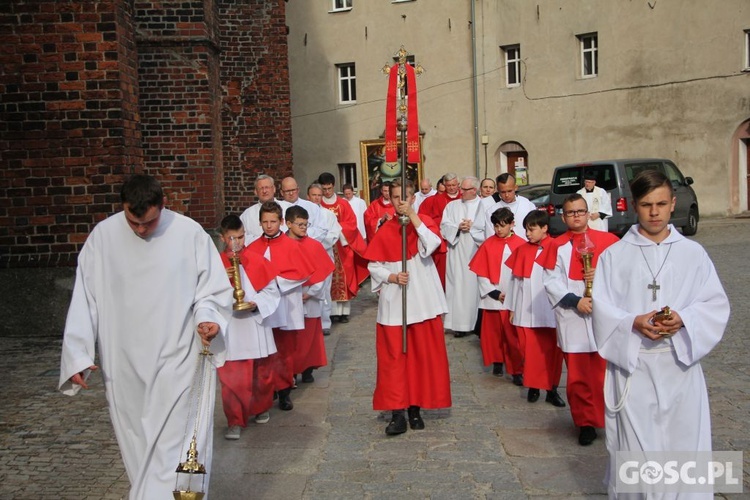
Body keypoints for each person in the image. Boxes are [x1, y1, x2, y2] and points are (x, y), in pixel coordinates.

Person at [58, 174, 233, 498]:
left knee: (174, 450)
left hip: (178, 360)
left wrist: (208, 319)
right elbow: (85, 298)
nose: (140, 230)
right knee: (140, 452)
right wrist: (78, 354)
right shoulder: (103, 238)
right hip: (124, 365)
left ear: (162, 207)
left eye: (148, 223)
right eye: (133, 221)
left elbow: (210, 291)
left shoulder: (188, 233)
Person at [592, 170, 729, 497]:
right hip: (634, 367)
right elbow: (601, 308)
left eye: (661, 204)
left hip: (679, 367)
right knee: (639, 454)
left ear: (673, 205)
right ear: (633, 207)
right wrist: (632, 322)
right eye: (646, 204)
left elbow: (714, 304)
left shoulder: (694, 254)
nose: (654, 212)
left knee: (684, 449)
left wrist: (684, 318)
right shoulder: (614, 256)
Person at [364, 178, 451, 436]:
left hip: (422, 301)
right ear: (389, 199)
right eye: (396, 197)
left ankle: (415, 407)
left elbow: (432, 244)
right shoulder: (385, 229)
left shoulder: (423, 223)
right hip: (395, 302)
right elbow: (373, 265)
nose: (400, 201)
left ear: (414, 198)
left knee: (420, 359)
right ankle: (397, 413)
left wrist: (413, 216)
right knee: (394, 360)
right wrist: (391, 277)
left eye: (406, 197)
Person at [539, 194, 619, 446]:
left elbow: (624, 276)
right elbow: (551, 281)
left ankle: (609, 418)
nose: (576, 216)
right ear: (563, 217)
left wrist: (602, 275)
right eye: (571, 212)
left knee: (604, 372)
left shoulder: (609, 242)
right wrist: (575, 300)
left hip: (603, 313)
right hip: (572, 316)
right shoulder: (555, 245)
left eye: (580, 211)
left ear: (588, 213)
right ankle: (585, 422)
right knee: (578, 374)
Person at [247, 201, 316, 412]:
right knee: (265, 350)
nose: (269, 226)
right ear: (260, 223)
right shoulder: (253, 248)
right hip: (262, 305)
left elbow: (304, 272)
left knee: (285, 349)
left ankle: (285, 390)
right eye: (265, 222)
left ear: (281, 222)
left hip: (285, 303)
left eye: (273, 221)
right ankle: (269, 389)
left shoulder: (292, 246)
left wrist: (276, 282)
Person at [217, 214, 281, 439]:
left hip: (255, 323)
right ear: (223, 238)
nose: (238, 243)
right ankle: (235, 420)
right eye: (232, 238)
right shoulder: (215, 264)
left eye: (241, 237)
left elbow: (272, 290)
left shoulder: (256, 259)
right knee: (232, 378)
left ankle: (261, 407)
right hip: (231, 326)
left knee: (261, 372)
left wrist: (256, 304)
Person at [505, 210, 566, 407]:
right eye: (526, 230)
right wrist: (512, 306)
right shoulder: (522, 250)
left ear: (545, 228)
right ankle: (533, 386)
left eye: (532, 229)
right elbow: (514, 281)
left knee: (552, 352)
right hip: (527, 308)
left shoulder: (558, 248)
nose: (528, 234)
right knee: (529, 351)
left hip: (550, 308)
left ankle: (552, 389)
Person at [469, 208, 525, 384]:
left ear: (511, 224)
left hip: (512, 299)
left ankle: (516, 370)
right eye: (496, 226)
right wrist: (494, 293)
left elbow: (522, 274)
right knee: (493, 336)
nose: (499, 230)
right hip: (493, 299)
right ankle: (498, 362)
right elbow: (481, 272)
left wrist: (513, 294)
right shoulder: (488, 244)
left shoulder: (521, 244)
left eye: (502, 226)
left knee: (512, 337)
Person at [285, 205, 335, 383]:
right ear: (288, 223)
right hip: (289, 298)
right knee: (293, 339)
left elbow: (322, 273)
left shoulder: (313, 245)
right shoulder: (281, 245)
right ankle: (290, 371)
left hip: (310, 296)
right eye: (300, 224)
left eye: (306, 225)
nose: (304, 228)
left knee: (309, 338)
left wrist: (311, 293)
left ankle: (307, 368)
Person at [318, 172, 368, 323]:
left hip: (342, 246)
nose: (327, 192)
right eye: (324, 189)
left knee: (345, 277)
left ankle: (344, 312)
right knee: (329, 278)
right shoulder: (318, 205)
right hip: (325, 246)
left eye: (329, 188)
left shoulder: (343, 204)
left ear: (334, 186)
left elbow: (351, 223)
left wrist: (336, 228)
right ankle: (331, 312)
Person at [440, 176, 485, 337]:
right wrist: (458, 228)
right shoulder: (452, 206)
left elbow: (490, 228)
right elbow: (444, 226)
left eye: (465, 189)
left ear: (474, 190)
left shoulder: (484, 205)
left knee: (475, 288)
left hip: (476, 252)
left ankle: (476, 324)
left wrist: (473, 227)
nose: (461, 192)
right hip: (457, 253)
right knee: (458, 287)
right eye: (462, 188)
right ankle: (459, 324)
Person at [307, 183, 343, 335]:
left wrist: (318, 242)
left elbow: (334, 234)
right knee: (308, 289)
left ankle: (325, 321)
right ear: (308, 196)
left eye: (319, 195)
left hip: (324, 254)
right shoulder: (303, 213)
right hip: (307, 256)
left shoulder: (328, 215)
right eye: (313, 195)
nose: (316, 198)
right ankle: (310, 322)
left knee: (325, 288)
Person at [418, 172, 460, 288]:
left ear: (458, 185)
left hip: (462, 241)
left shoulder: (464, 198)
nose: (451, 188)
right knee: (443, 274)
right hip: (443, 242)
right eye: (449, 185)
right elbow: (428, 220)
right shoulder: (436, 200)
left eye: (454, 185)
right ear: (444, 185)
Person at [484, 173, 537, 241]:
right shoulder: (492, 211)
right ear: (498, 190)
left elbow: (535, 229)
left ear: (515, 187)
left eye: (509, 191)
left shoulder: (527, 205)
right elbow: (490, 237)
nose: (506, 195)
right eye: (503, 192)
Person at [240, 174, 292, 242]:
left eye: (267, 187)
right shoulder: (247, 215)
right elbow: (241, 237)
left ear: (274, 189)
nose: (264, 191)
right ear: (255, 191)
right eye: (261, 188)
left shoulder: (289, 208)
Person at [280, 176, 327, 242]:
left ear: (298, 190)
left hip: (307, 245)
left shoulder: (312, 207)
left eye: (293, 190)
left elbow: (322, 229)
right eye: (287, 191)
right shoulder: (276, 208)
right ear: (282, 192)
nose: (291, 193)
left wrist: (304, 232)